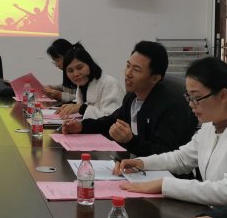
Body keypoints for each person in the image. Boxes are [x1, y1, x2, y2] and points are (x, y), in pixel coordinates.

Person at [114, 57, 227, 207]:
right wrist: (142, 163)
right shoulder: (210, 125)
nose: (191, 104)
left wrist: (164, 185)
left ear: (223, 95)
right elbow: (182, 159)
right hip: (216, 213)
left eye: (196, 97)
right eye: (188, 97)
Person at [62, 41, 197, 157]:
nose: (128, 73)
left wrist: (131, 141)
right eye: (128, 66)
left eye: (136, 70)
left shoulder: (170, 107)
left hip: (162, 175)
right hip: (135, 166)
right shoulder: (132, 97)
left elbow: (165, 153)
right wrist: (82, 126)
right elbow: (110, 121)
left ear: (155, 78)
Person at [55, 44, 124, 120]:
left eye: (80, 68)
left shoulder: (110, 84)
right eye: (70, 71)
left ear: (89, 65)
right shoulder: (82, 86)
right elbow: (83, 103)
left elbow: (113, 117)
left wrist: (81, 108)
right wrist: (69, 107)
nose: (76, 74)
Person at [43, 38, 77, 103]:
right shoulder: (67, 72)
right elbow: (67, 88)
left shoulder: (80, 74)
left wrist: (60, 96)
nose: (57, 65)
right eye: (55, 62)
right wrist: (51, 88)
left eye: (58, 60)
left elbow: (83, 99)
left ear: (67, 55)